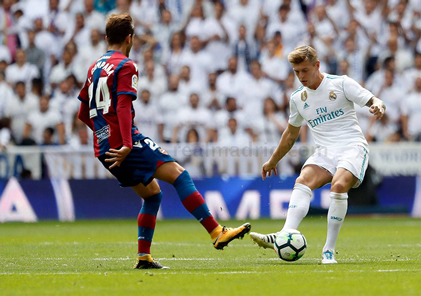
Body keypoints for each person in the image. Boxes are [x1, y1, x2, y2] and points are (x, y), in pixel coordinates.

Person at [76, 14, 251, 270]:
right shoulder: (126, 65)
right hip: (125, 144)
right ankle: (216, 232)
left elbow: (83, 113)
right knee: (180, 175)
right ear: (130, 38)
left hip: (104, 149)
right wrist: (125, 142)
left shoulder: (94, 68)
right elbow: (123, 105)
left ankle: (143, 257)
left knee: (152, 194)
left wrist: (105, 136)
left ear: (106, 38)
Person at [250, 45, 385, 264]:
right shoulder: (298, 98)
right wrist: (272, 160)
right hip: (325, 152)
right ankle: (284, 234)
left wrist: (378, 105)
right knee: (302, 181)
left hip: (352, 147)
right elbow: (290, 134)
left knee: (339, 186)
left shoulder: (341, 84)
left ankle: (328, 251)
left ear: (317, 65)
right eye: (296, 72)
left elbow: (373, 100)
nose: (301, 76)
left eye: (305, 70)